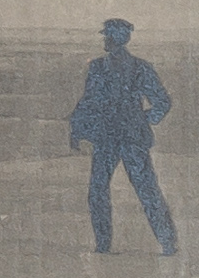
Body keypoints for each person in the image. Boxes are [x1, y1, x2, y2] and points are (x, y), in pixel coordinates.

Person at [69, 18, 178, 255]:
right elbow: (88, 101)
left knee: (147, 190)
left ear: (116, 38)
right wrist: (77, 129)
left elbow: (162, 101)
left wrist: (143, 119)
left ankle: (168, 242)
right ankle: (103, 245)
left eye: (107, 36)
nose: (104, 40)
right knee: (98, 191)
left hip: (131, 140)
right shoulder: (98, 67)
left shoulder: (140, 68)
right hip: (107, 138)